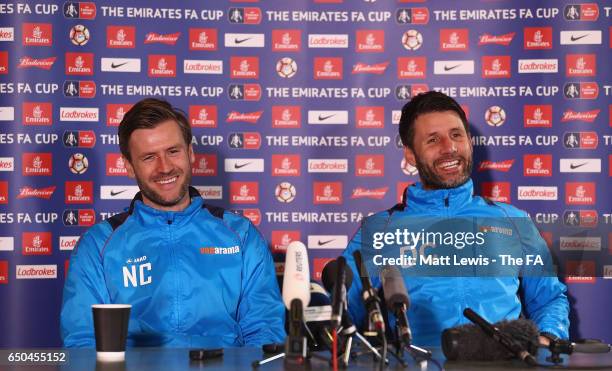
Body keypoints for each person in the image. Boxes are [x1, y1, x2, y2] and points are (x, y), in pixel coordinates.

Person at [342, 91, 569, 347]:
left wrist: (548, 337)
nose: (449, 148)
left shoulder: (513, 221)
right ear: (410, 154)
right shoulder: (378, 231)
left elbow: (549, 300)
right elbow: (342, 314)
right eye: (433, 140)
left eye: (456, 135)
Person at [60, 98, 285, 348]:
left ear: (190, 153)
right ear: (129, 167)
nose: (164, 167)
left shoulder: (241, 236)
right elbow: (84, 343)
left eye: (173, 151)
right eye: (149, 157)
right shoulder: (98, 245)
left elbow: (265, 334)